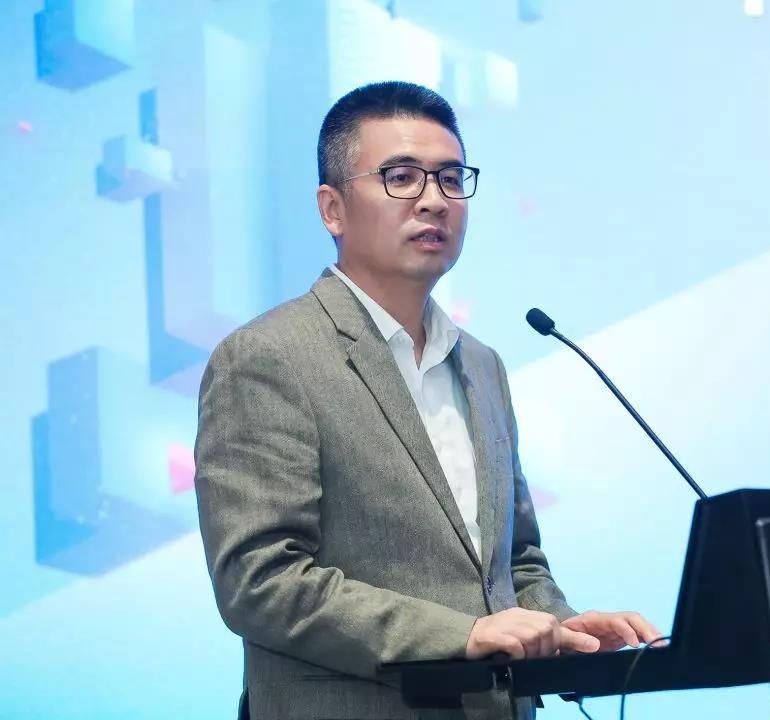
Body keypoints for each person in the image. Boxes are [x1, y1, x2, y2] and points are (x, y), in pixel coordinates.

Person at [194, 81, 662, 720]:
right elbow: (260, 581)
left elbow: (513, 563)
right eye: (401, 177)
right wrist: (460, 636)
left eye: (450, 178)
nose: (434, 200)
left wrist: (564, 630)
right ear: (332, 209)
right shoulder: (268, 357)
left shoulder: (483, 365)